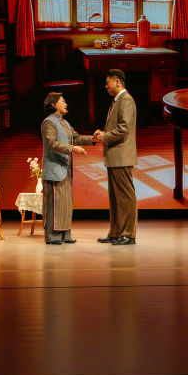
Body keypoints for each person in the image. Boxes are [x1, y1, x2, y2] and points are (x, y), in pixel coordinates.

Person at [40, 92, 94, 245]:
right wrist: (71, 148)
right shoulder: (49, 122)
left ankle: (65, 234)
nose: (66, 104)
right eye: (62, 101)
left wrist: (94, 139)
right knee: (55, 205)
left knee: (65, 203)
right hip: (54, 169)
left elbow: (76, 137)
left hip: (65, 169)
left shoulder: (64, 122)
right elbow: (52, 143)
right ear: (53, 104)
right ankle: (53, 236)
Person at [93, 69, 138, 245]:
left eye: (108, 83)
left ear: (118, 81)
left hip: (121, 155)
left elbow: (124, 128)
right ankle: (115, 232)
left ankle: (128, 234)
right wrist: (103, 133)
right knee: (115, 198)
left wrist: (104, 137)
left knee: (125, 197)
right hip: (114, 156)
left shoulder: (126, 100)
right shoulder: (117, 100)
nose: (106, 86)